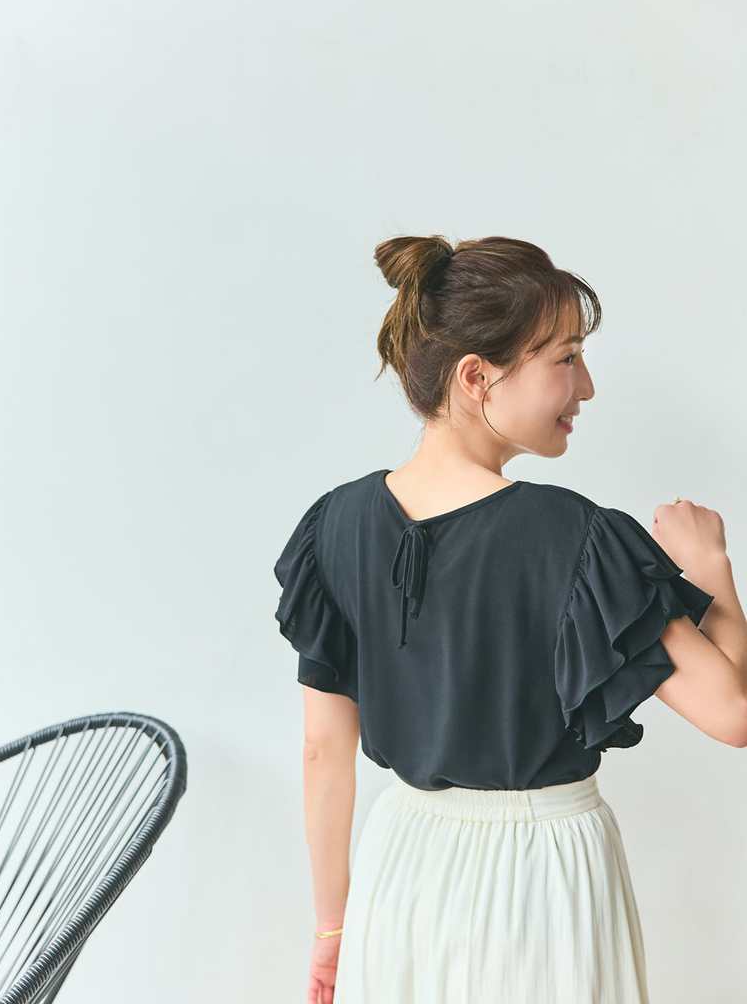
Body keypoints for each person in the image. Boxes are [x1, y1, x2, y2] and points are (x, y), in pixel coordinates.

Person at [272, 234, 747, 1004]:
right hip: (541, 877)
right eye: (565, 358)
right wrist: (710, 569)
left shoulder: (334, 525)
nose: (585, 386)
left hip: (399, 871)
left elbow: (323, 750)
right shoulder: (575, 536)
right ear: (476, 377)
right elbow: (732, 714)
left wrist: (332, 929)